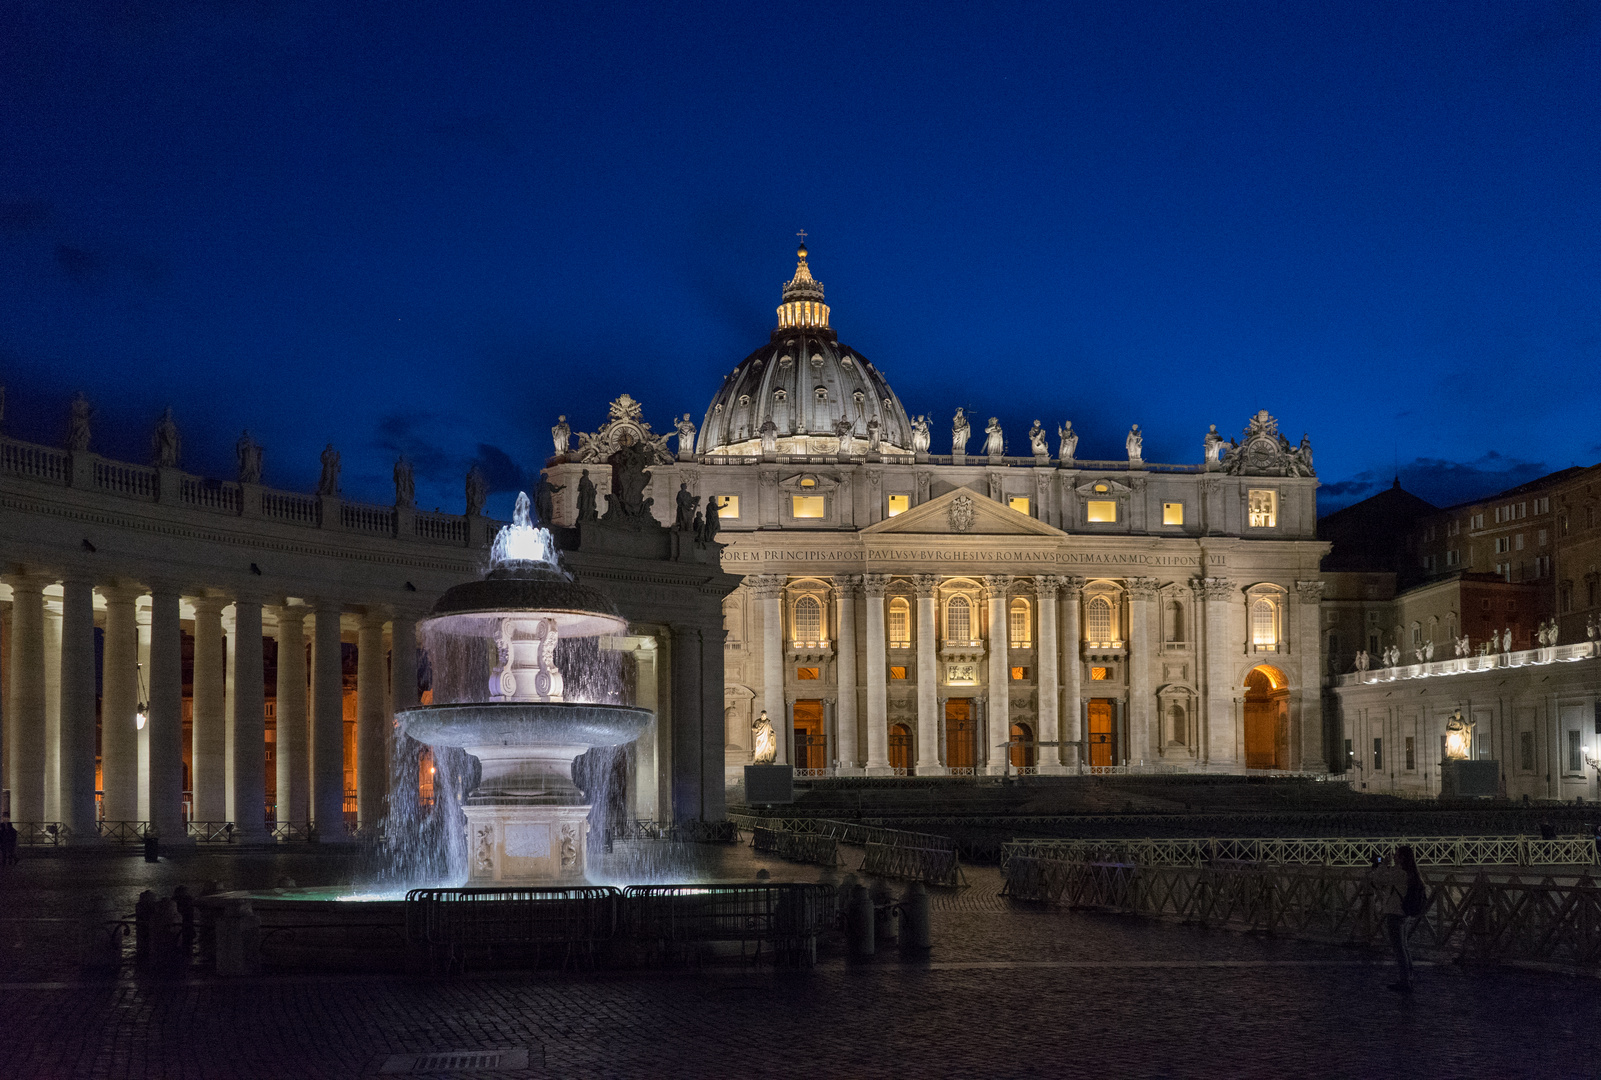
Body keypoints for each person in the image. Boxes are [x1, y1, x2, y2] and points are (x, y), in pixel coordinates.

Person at [1372, 846, 1425, 993]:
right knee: (1404, 947)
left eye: (1396, 855)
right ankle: (1409, 977)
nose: (1394, 857)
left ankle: (1404, 981)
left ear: (1402, 858)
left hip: (1395, 913)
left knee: (1399, 949)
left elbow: (1377, 879)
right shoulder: (1412, 873)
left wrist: (1383, 864)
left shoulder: (1398, 873)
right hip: (1405, 913)